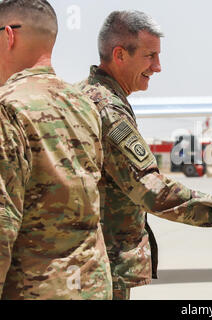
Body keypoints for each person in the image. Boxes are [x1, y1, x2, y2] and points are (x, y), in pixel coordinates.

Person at [77, 11, 212, 300]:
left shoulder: (84, 95)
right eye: (150, 56)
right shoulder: (108, 109)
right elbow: (153, 191)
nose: (158, 67)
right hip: (101, 270)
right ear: (119, 54)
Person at [0, 0, 112, 299]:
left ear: (8, 36)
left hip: (34, 288)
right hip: (92, 285)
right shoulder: (85, 105)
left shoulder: (7, 107)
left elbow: (2, 220)